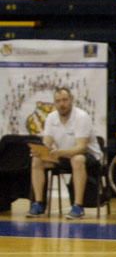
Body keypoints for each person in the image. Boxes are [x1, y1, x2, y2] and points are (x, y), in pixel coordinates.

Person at [27, 87, 103, 219]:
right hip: (62, 155)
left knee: (77, 159)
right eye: (58, 101)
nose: (61, 104)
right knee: (37, 160)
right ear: (54, 103)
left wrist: (60, 152)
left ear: (71, 100)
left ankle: (78, 206)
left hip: (89, 157)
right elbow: (47, 142)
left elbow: (81, 148)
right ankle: (38, 203)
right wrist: (40, 151)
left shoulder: (81, 116)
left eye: (64, 100)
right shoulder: (51, 117)